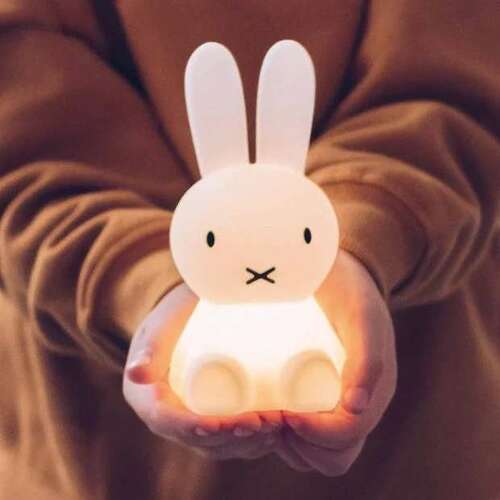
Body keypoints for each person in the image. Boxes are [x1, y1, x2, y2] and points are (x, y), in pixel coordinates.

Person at [0, 0, 498, 499]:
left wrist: (360, 240)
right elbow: (24, 133)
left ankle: (306, 371)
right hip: (99, 457)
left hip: (424, 437)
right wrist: (143, 277)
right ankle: (217, 373)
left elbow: (460, 82)